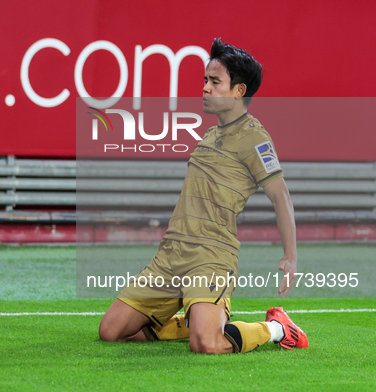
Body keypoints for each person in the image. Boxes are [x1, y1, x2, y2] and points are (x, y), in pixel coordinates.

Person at [98, 38, 308, 354]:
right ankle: (197, 317)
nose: (205, 88)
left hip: (211, 255)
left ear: (239, 91)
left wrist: (290, 255)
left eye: (215, 82)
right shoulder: (211, 133)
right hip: (171, 254)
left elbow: (281, 197)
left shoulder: (255, 138)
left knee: (207, 344)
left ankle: (277, 328)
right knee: (112, 332)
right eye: (205, 80)